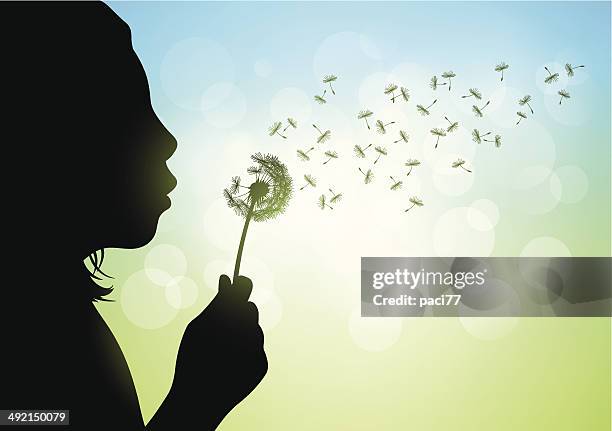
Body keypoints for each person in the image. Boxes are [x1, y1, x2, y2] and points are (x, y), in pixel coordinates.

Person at [0, 2, 267, 429]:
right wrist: (198, 399)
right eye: (126, 107)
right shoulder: (32, 347)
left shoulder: (55, 327)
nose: (167, 139)